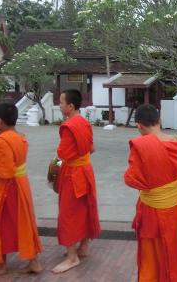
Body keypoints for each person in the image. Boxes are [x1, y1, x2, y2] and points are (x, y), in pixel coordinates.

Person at [124, 104, 177, 282]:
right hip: (173, 207)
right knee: (173, 248)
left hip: (151, 211)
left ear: (139, 125)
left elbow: (132, 180)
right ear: (160, 121)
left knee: (152, 254)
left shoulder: (141, 146)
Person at [52, 89, 101, 274]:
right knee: (85, 208)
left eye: (61, 102)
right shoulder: (84, 122)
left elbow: (62, 153)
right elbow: (92, 148)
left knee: (69, 213)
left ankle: (72, 257)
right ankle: (84, 247)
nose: (60, 105)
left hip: (73, 173)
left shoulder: (69, 126)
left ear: (70, 106)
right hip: (86, 170)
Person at [0, 103, 43, 275]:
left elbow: (5, 172)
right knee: (24, 223)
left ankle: (0, 265)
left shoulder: (1, 142)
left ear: (0, 122)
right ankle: (34, 262)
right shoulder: (20, 137)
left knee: (1, 225)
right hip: (21, 185)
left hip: (6, 189)